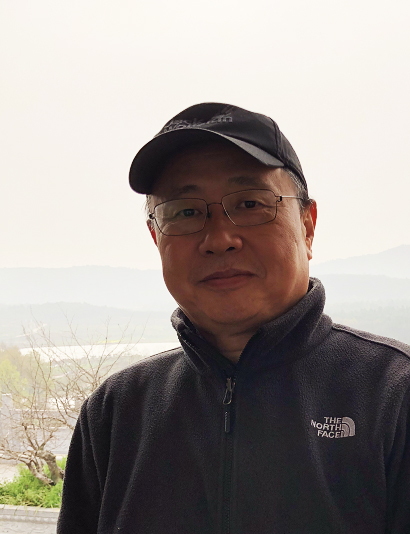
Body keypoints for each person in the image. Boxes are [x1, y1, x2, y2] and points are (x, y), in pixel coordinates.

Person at [57, 103, 410, 534]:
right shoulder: (115, 413)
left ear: (307, 225)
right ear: (156, 237)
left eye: (249, 203)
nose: (219, 238)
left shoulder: (394, 395)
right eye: (185, 212)